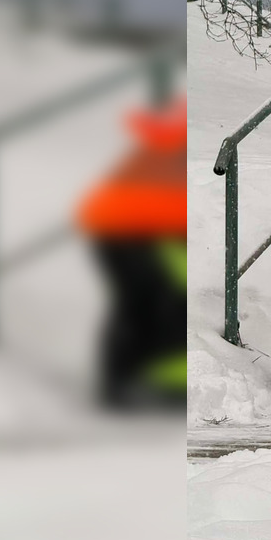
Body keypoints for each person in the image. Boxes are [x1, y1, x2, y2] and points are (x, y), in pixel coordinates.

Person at [78, 98, 187, 410]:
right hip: (136, 227)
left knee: (138, 303)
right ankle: (124, 384)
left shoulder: (162, 145)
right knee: (144, 303)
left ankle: (123, 382)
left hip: (113, 225)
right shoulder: (173, 149)